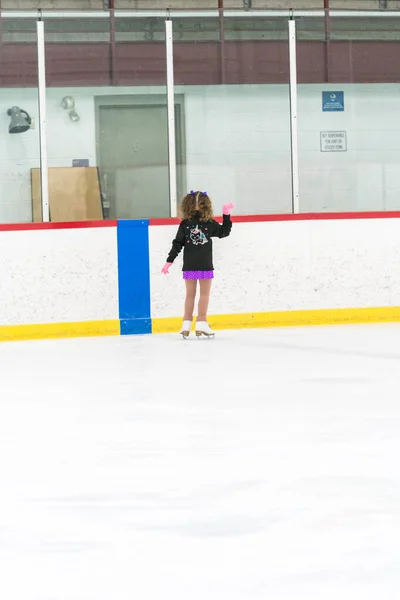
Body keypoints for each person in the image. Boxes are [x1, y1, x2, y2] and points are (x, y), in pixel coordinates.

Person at [162, 190, 234, 338]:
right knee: (204, 294)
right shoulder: (208, 223)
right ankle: (201, 321)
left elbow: (177, 244)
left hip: (190, 265)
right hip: (205, 264)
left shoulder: (185, 224)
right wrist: (226, 215)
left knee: (190, 295)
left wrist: (169, 261)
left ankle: (186, 323)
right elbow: (224, 231)